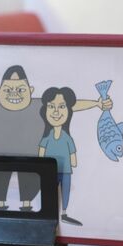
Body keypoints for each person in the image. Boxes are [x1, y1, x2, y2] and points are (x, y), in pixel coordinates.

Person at [0, 65, 111, 211]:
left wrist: (97, 104)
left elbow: (69, 106)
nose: (14, 94)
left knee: (30, 183)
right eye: (8, 90)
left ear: (30, 90)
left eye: (20, 89)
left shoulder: (38, 105)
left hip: (31, 158)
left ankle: (27, 207)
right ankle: (0, 206)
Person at [38, 87, 82, 226]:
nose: (56, 112)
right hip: (50, 170)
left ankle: (64, 213)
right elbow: (41, 153)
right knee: (49, 191)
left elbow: (72, 153)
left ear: (68, 111)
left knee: (65, 192)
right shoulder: (46, 137)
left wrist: (73, 162)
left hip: (66, 170)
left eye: (62, 107)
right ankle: (48, 212)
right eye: (51, 107)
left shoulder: (67, 137)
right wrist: (40, 166)